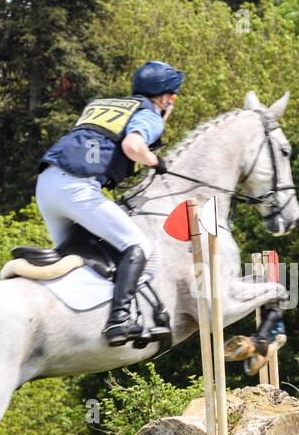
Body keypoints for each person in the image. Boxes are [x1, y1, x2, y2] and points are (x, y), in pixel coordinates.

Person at [34, 61, 185, 346]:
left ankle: (75, 325)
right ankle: (118, 321)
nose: (171, 103)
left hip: (46, 184)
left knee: (84, 256)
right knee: (140, 248)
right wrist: (155, 161)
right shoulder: (149, 114)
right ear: (164, 97)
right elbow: (132, 146)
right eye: (173, 97)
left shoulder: (105, 105)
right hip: (77, 188)